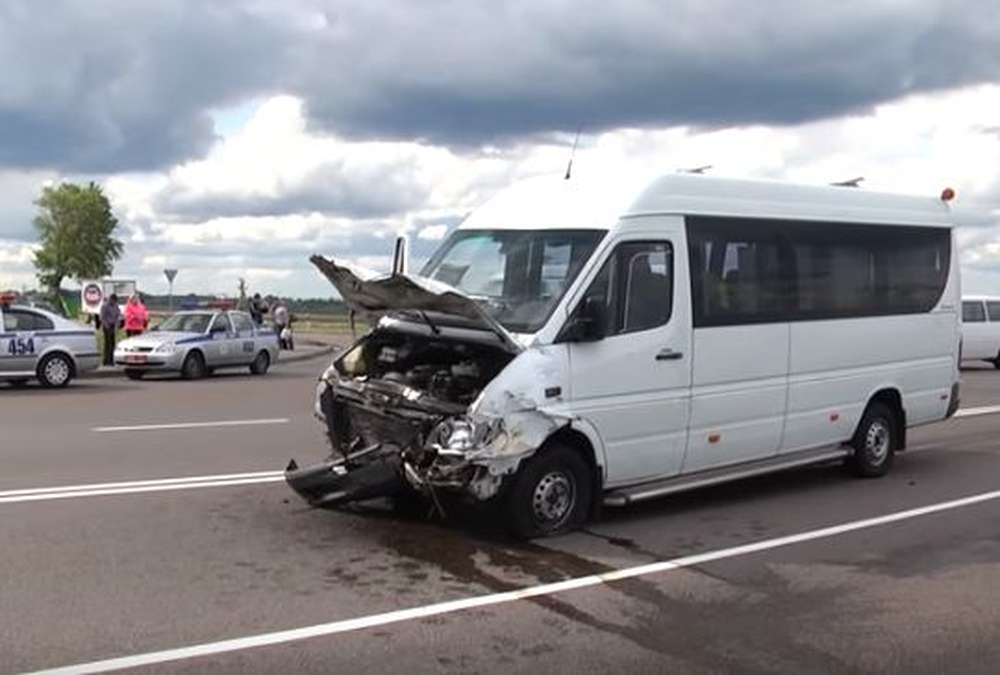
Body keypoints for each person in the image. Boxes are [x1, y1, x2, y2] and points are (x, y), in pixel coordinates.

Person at [99, 294, 122, 366]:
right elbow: (102, 317)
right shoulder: (105, 306)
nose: (114, 302)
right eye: (113, 300)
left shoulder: (116, 306)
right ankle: (106, 360)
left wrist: (117, 325)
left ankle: (111, 360)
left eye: (115, 301)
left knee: (113, 343)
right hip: (107, 326)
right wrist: (106, 326)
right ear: (111, 299)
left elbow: (118, 315)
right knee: (107, 343)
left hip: (113, 325)